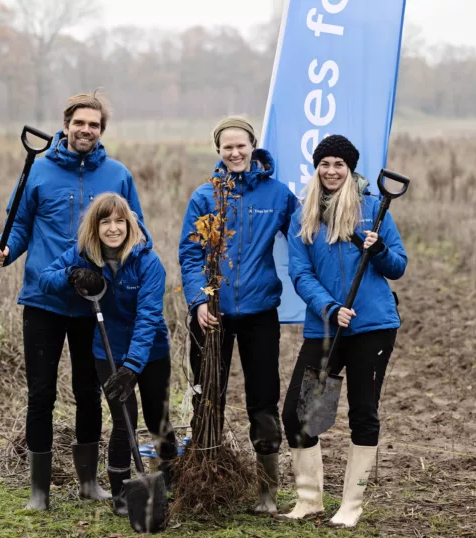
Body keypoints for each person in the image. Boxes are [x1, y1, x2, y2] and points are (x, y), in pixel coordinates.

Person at [0, 91, 144, 511]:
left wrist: (115, 273)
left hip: (96, 303)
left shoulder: (117, 175)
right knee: (41, 394)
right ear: (66, 124)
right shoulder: (37, 172)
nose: (86, 130)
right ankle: (38, 493)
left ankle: (89, 483)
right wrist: (5, 251)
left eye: (94, 125)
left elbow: (135, 231)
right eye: (80, 123)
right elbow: (18, 225)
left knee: (88, 391)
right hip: (43, 299)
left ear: (101, 131)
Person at [280, 135, 407, 527]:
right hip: (326, 327)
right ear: (316, 169)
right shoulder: (305, 215)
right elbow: (300, 273)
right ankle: (310, 500)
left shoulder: (373, 210)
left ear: (350, 170)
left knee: (363, 413)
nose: (331, 171)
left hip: (373, 327)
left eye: (339, 164)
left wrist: (380, 248)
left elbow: (398, 266)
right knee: (302, 415)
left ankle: (351, 505)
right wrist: (330, 308)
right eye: (325, 164)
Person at [178, 116, 299, 515]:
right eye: (227, 147)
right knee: (207, 396)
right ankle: (204, 475)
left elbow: (304, 234)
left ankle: (267, 491)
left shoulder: (277, 195)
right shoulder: (205, 196)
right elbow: (191, 254)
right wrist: (198, 302)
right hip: (211, 316)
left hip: (260, 312)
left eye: (241, 145)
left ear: (252, 146)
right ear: (218, 151)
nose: (234, 152)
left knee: (263, 399)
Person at [39, 193, 177, 517]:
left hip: (152, 352)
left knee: (158, 418)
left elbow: (148, 318)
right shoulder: (84, 254)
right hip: (108, 352)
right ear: (95, 226)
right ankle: (122, 496)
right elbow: (45, 279)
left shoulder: (148, 263)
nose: (113, 228)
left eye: (119, 221)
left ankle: (168, 482)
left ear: (129, 224)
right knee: (124, 421)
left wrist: (133, 365)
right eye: (105, 222)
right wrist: (71, 275)